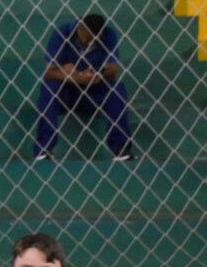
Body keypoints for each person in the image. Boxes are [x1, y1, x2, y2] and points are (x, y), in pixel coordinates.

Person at [36, 11, 134, 161]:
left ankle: (120, 148)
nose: (90, 44)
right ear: (79, 29)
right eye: (87, 39)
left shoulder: (109, 34)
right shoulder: (61, 33)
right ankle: (43, 148)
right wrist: (76, 77)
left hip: (93, 90)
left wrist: (97, 75)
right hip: (67, 91)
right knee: (50, 89)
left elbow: (112, 70)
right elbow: (50, 72)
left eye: (95, 41)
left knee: (116, 89)